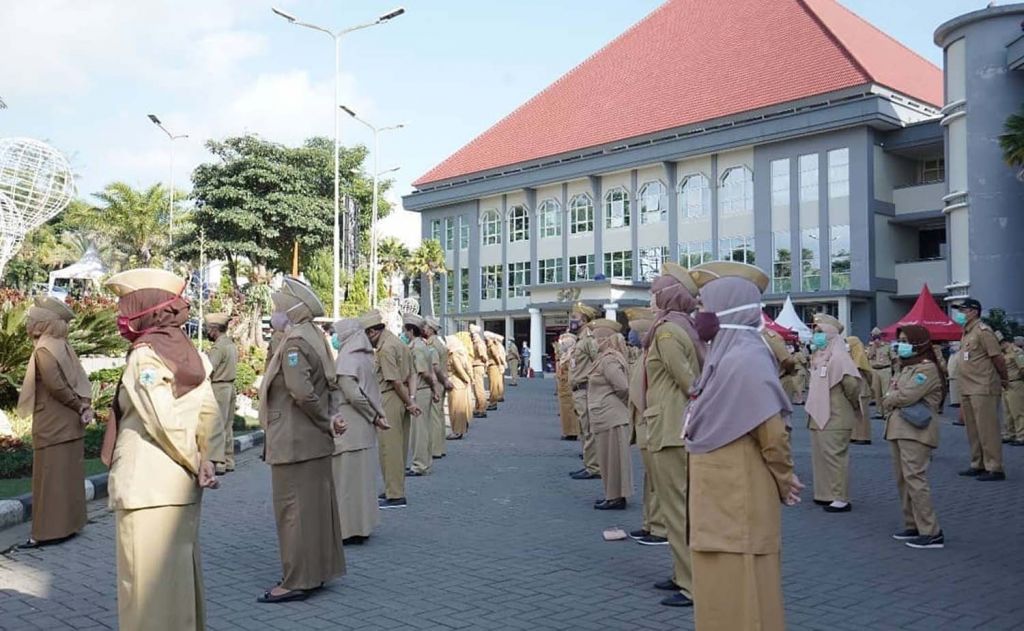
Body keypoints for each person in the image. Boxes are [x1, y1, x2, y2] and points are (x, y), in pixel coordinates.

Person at [685, 261, 802, 631]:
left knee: (743, 595)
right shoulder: (724, 355)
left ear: (725, 311)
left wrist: (785, 479)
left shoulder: (747, 358)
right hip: (720, 503)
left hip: (739, 504)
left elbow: (773, 434)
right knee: (719, 592)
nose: (697, 315)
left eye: (703, 306)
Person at [103, 268, 223, 628]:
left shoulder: (146, 355)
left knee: (145, 593)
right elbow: (209, 411)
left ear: (147, 309)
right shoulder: (190, 353)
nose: (122, 315)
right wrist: (206, 458)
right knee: (178, 589)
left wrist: (194, 460)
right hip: (180, 489)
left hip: (147, 489)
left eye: (127, 306)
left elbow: (161, 419)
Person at [258, 276, 345, 603]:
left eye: (278, 307)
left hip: (294, 441)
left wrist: (324, 420)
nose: (274, 313)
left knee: (293, 513)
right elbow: (329, 387)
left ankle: (296, 581)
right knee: (314, 511)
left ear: (292, 310)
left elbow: (301, 393)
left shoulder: (295, 342)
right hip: (311, 441)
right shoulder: (315, 336)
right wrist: (329, 420)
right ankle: (316, 572)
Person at [644, 262, 704, 608]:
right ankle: (682, 573)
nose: (651, 302)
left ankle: (692, 582)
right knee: (678, 508)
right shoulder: (681, 327)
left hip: (670, 428)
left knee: (677, 510)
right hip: (673, 425)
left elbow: (689, 383)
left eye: (655, 295)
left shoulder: (667, 332)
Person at [16, 296, 94, 549]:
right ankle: (69, 525)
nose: (29, 324)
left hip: (53, 422)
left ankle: (47, 532)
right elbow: (75, 382)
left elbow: (56, 386)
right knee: (67, 476)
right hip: (69, 423)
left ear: (44, 323)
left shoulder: (45, 349)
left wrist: (77, 405)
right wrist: (81, 405)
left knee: (49, 478)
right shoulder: (63, 345)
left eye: (33, 320)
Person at [882, 325, 946, 550]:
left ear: (919, 343)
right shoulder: (904, 366)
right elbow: (894, 392)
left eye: (906, 340)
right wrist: (892, 397)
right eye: (899, 340)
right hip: (899, 429)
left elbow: (906, 395)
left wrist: (891, 398)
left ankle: (931, 531)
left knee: (916, 480)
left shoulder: (926, 369)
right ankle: (913, 524)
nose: (901, 345)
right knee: (904, 480)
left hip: (915, 431)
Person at [331, 318, 389, 545]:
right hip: (361, 429)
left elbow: (353, 394)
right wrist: (374, 415)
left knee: (346, 481)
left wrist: (372, 415)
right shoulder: (364, 355)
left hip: (350, 426)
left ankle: (347, 529)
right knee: (361, 481)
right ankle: (361, 527)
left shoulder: (347, 357)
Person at [806, 313, 862, 512]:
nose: (816, 335)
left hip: (835, 415)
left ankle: (840, 497)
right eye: (815, 331)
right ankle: (825, 494)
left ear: (830, 334)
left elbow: (852, 386)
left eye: (820, 331)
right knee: (820, 457)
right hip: (818, 416)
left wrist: (850, 404)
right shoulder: (819, 356)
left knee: (834, 457)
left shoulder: (839, 357)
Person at [363, 309, 418, 509]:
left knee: (390, 449)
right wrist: (410, 400)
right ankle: (393, 488)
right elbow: (411, 374)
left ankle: (395, 495)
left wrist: (409, 402)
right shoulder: (398, 343)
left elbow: (394, 381)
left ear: (372, 332)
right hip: (400, 399)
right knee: (399, 447)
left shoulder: (386, 348)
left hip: (390, 399)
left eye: (365, 335)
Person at [952, 298, 1008, 481]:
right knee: (973, 430)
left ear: (974, 311)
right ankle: (978, 463)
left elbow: (997, 357)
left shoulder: (983, 332)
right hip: (968, 387)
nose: (959, 314)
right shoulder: (966, 333)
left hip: (983, 386)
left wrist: (1004, 378)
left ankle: (995, 467)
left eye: (963, 310)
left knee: (987, 429)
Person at [625, 308, 666, 545]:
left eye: (635, 332)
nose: (631, 337)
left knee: (659, 480)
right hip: (644, 422)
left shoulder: (654, 353)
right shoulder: (644, 354)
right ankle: (650, 523)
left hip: (653, 422)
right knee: (650, 480)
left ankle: (661, 528)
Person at [587, 319, 633, 510]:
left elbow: (623, 386)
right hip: (606, 414)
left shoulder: (609, 359)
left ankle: (615, 497)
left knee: (613, 459)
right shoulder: (605, 358)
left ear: (604, 339)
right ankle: (613, 495)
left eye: (596, 339)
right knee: (608, 458)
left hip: (611, 415)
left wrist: (616, 402)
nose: (594, 342)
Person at [568, 303, 601, 480]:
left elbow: (598, 362)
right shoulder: (580, 339)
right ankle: (589, 463)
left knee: (589, 430)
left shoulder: (588, 340)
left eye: (575, 318)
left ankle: (594, 467)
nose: (571, 321)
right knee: (583, 429)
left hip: (586, 390)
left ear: (585, 320)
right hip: (578, 391)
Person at [204, 313, 238, 475]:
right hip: (230, 387)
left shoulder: (219, 347)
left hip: (219, 388)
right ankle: (229, 460)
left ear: (214, 329)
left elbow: (209, 368)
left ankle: (219, 463)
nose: (207, 332)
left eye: (208, 329)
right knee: (227, 425)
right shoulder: (230, 344)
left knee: (216, 426)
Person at [403, 313, 437, 477]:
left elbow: (423, 372)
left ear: (410, 330)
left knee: (419, 431)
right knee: (422, 429)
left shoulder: (417, 347)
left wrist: (433, 388)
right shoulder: (419, 345)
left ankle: (420, 464)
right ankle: (424, 462)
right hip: (423, 391)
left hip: (420, 392)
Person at [422, 317, 452, 459]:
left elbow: (435, 366)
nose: (423, 329)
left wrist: (441, 381)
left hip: (437, 382)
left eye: (425, 327)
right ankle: (440, 447)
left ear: (430, 329)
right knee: (439, 415)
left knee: (434, 416)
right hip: (441, 381)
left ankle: (435, 449)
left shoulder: (431, 344)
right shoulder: (439, 342)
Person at [847, 335, 874, 445]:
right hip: (854, 388)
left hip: (862, 388)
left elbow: (868, 374)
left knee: (862, 414)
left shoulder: (860, 357)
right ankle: (854, 434)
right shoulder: (849, 355)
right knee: (853, 413)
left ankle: (864, 436)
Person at [445, 334, 473, 440]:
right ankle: (459, 430)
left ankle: (457, 431)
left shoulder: (454, 355)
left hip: (456, 384)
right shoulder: (457, 354)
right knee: (458, 408)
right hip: (459, 384)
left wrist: (467, 380)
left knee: (455, 409)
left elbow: (460, 370)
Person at [999, 333, 1024, 446]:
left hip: (1016, 384)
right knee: (1007, 412)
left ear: (1003, 342)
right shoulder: (1002, 353)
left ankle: (1021, 436)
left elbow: (1022, 368)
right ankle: (1010, 434)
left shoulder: (1016, 352)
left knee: (1017, 412)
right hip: (1005, 385)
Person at [555, 333, 580, 441]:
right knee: (565, 410)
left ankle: (572, 431)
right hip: (563, 386)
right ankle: (567, 430)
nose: (562, 345)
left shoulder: (572, 356)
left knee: (570, 409)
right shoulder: (566, 354)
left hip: (568, 386)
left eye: (564, 343)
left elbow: (572, 371)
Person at [867, 327, 894, 410]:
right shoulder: (870, 346)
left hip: (885, 369)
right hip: (875, 370)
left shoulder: (887, 346)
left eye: (877, 336)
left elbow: (893, 358)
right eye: (874, 336)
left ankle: (886, 411)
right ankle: (879, 411)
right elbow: (869, 356)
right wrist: (874, 346)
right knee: (876, 392)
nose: (876, 338)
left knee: (886, 391)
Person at [469, 325, 489, 418]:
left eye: (472, 334)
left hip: (478, 366)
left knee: (479, 389)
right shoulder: (475, 343)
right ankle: (477, 408)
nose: (471, 335)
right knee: (476, 389)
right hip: (475, 366)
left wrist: (484, 364)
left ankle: (482, 409)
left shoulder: (479, 343)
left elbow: (484, 356)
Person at [485, 332, 505, 407]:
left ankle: (493, 402)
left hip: (493, 366)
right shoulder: (492, 346)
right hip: (493, 365)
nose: (485, 339)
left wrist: (500, 365)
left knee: (493, 384)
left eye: (486, 338)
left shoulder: (492, 346)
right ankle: (494, 398)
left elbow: (497, 356)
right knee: (495, 383)